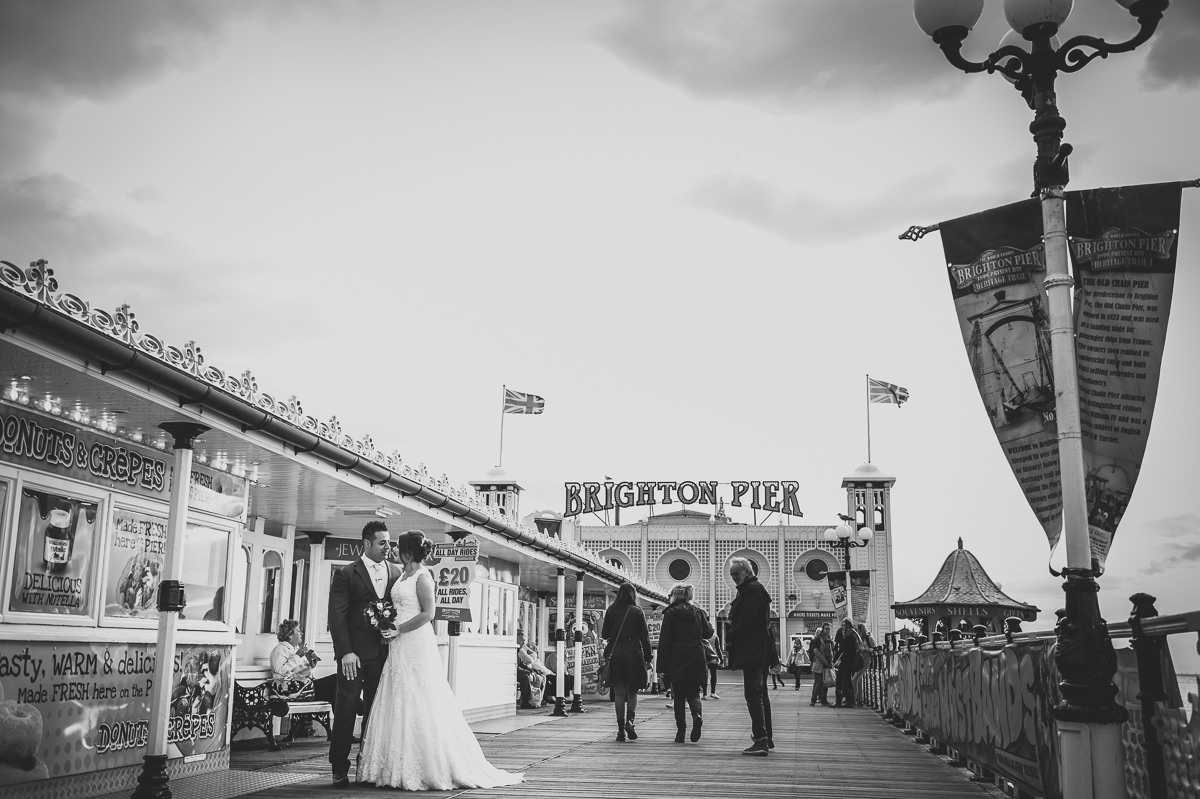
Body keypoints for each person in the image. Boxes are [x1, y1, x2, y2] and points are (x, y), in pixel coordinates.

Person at [357, 530, 523, 790]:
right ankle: (392, 766)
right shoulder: (402, 575)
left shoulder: (423, 577)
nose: (394, 551)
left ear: (407, 551)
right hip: (398, 644)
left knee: (420, 696)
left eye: (398, 547)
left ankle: (427, 765)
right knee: (398, 696)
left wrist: (399, 629)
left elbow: (429, 613)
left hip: (414, 642)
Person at [327, 520, 398, 787]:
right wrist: (345, 651)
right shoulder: (346, 574)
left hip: (385, 655)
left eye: (389, 542)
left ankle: (367, 763)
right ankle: (339, 766)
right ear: (366, 544)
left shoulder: (396, 572)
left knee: (375, 711)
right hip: (354, 657)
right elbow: (337, 616)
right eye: (382, 542)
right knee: (346, 709)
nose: (387, 547)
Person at [726, 557, 777, 755]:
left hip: (754, 650)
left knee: (754, 695)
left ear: (747, 571)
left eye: (736, 574)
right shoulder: (754, 589)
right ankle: (766, 737)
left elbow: (747, 622)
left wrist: (730, 633)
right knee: (761, 694)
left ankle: (761, 739)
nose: (734, 578)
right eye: (731, 575)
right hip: (759, 649)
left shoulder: (752, 591)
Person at [656, 582, 714, 743]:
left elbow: (664, 641)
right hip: (696, 657)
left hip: (677, 658)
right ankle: (697, 715)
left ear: (674, 596)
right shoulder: (698, 612)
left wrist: (660, 667)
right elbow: (709, 633)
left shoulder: (670, 613)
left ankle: (680, 732)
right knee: (694, 693)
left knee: (679, 696)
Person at [600, 582, 652, 743]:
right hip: (633, 654)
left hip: (616, 654)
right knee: (633, 691)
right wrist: (648, 658)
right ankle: (630, 721)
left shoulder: (611, 610)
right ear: (633, 595)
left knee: (620, 693)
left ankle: (621, 730)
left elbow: (604, 634)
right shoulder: (637, 611)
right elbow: (645, 637)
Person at [270, 618, 314, 698]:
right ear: (290, 635)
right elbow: (280, 671)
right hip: (291, 690)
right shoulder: (280, 649)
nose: (301, 633)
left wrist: (311, 665)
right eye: (298, 631)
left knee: (334, 682)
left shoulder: (296, 649)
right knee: (334, 681)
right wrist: (297, 656)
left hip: (304, 687)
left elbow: (302, 671)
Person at [516, 631, 549, 709]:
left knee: (538, 676)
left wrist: (530, 670)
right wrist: (525, 671)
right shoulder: (514, 650)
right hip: (513, 673)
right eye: (521, 640)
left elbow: (521, 664)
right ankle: (526, 701)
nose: (523, 642)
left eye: (524, 640)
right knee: (525, 677)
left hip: (518, 671)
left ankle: (537, 700)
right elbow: (516, 667)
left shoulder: (518, 649)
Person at [832, 618, 861, 708]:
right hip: (848, 661)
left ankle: (839, 701)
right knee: (847, 680)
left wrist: (835, 660)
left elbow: (843, 649)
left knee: (839, 680)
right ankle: (850, 701)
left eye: (844, 625)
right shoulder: (853, 634)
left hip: (846, 661)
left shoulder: (849, 636)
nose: (842, 627)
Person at [809, 625, 833, 706]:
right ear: (823, 629)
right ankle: (813, 699)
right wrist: (825, 661)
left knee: (825, 682)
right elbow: (816, 652)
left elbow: (832, 651)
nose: (827, 630)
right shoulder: (818, 639)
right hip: (819, 663)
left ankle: (823, 699)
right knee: (818, 682)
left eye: (829, 629)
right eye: (826, 629)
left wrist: (830, 661)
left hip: (827, 664)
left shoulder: (829, 639)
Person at [701, 635, 722, 699]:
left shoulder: (701, 635)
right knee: (713, 675)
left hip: (703, 657)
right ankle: (713, 692)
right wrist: (721, 658)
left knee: (704, 675)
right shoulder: (715, 636)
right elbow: (718, 648)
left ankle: (704, 694)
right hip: (713, 657)